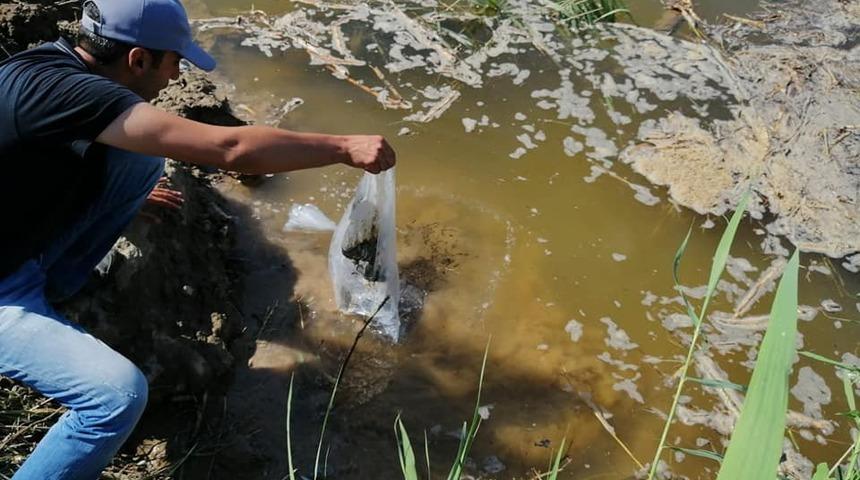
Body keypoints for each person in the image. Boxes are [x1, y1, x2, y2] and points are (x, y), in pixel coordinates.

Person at [0, 0, 396, 478]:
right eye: (174, 62)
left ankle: (59, 290)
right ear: (138, 60)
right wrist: (343, 147)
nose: (175, 76)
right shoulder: (75, 95)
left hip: (17, 245)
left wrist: (109, 198)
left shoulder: (45, 63)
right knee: (115, 397)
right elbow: (230, 149)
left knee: (141, 163)